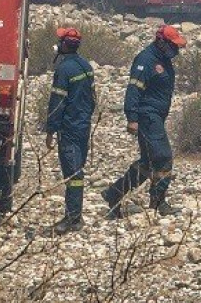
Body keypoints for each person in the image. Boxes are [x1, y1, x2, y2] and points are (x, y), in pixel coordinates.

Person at [102, 24, 186, 217]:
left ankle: (114, 193)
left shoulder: (163, 59)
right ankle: (159, 202)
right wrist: (131, 117)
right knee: (163, 158)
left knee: (148, 162)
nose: (176, 50)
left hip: (157, 116)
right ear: (161, 42)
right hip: (147, 116)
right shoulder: (145, 60)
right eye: (173, 45)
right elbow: (134, 90)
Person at [44, 26, 95, 234]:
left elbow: (57, 103)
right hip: (83, 126)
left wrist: (50, 130)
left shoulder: (64, 70)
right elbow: (93, 98)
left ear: (64, 45)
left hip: (70, 129)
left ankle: (73, 218)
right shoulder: (86, 66)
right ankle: (74, 216)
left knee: (73, 174)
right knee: (77, 170)